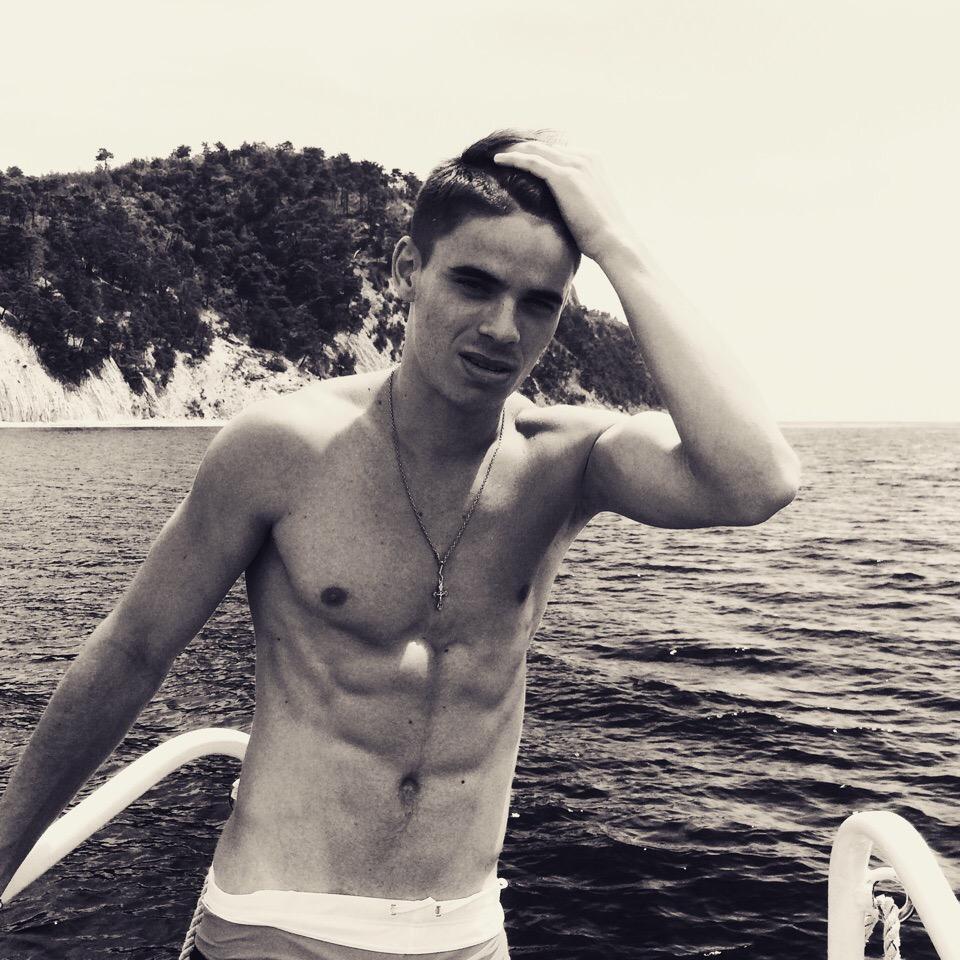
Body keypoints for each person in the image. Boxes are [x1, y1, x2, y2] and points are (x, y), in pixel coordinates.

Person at [0, 130, 800, 959]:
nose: (502, 327)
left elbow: (758, 481)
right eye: (473, 283)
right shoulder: (283, 447)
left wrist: (616, 244)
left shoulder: (567, 461)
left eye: (539, 302)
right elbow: (132, 651)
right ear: (405, 271)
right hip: (280, 920)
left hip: (466, 930)